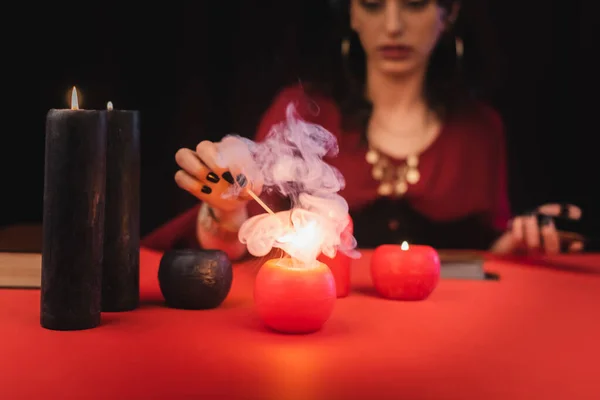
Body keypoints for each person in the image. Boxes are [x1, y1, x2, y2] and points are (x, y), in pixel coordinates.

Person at [142, 0, 583, 260]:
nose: (392, 25)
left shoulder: (481, 131)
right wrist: (223, 211)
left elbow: (482, 255)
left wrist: (516, 246)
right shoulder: (300, 112)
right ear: (352, 14)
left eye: (413, 3)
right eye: (373, 3)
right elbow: (241, 244)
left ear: (447, 14)